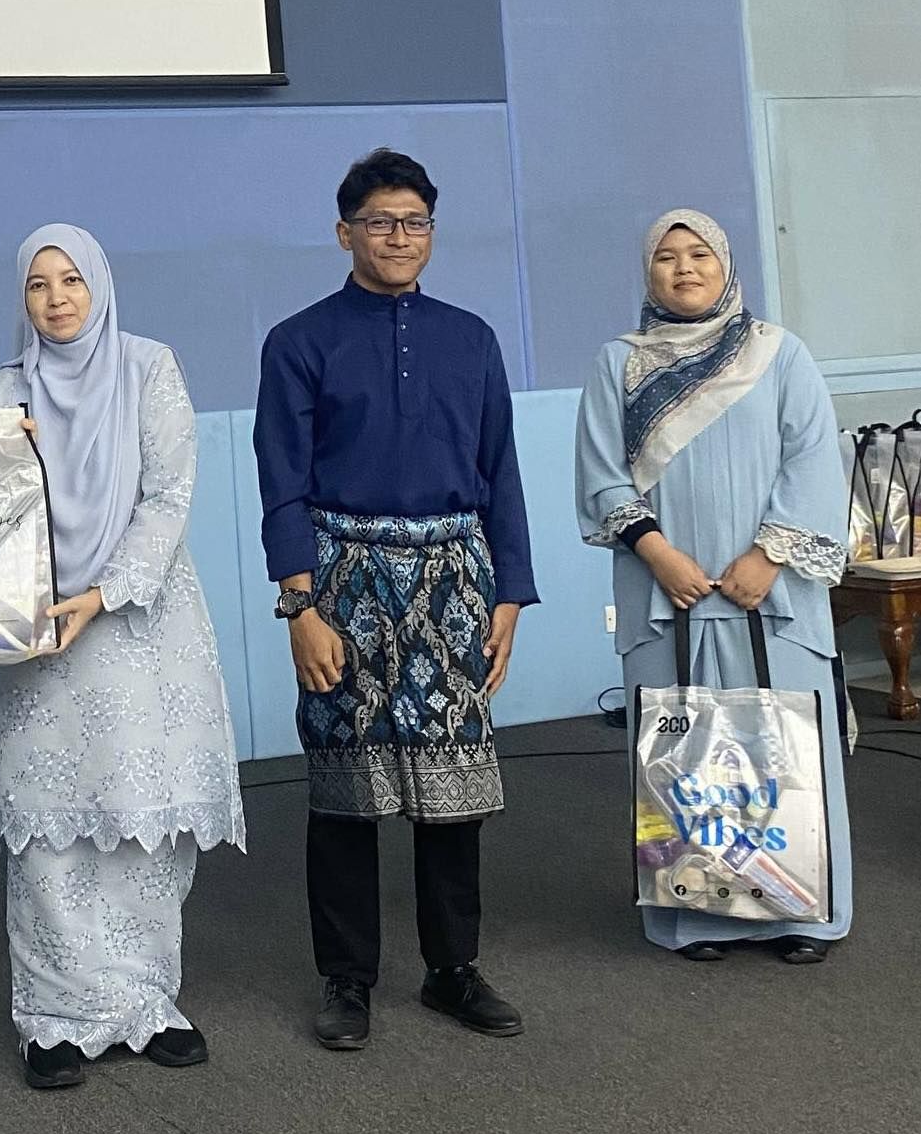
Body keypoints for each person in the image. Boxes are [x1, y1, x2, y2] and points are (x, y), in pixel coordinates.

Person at [253, 148, 539, 1050]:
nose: (399, 237)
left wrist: (510, 593)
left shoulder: (472, 338)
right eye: (380, 222)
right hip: (342, 583)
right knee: (343, 789)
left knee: (454, 788)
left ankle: (453, 968)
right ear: (344, 232)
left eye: (415, 222)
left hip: (454, 578)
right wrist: (298, 608)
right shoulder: (298, 340)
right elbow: (281, 484)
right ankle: (346, 978)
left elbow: (500, 472)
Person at [0, 224, 244, 1088]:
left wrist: (103, 592)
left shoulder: (146, 367)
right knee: (48, 824)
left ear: (98, 286)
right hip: (40, 626)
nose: (56, 298)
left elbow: (167, 495)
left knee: (141, 817)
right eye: (38, 284)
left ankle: (146, 1002)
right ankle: (51, 1017)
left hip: (138, 625)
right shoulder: (6, 387)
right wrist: (3, 458)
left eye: (71, 280)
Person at [576, 208, 851, 962]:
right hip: (668, 597)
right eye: (667, 257)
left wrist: (768, 555)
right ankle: (694, 915)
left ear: (726, 265)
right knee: (682, 758)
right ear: (648, 273)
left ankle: (800, 913)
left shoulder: (778, 353)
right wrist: (658, 553)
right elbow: (602, 474)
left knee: (788, 750)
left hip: (774, 597)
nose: (685, 268)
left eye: (699, 254)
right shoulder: (620, 363)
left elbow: (811, 461)